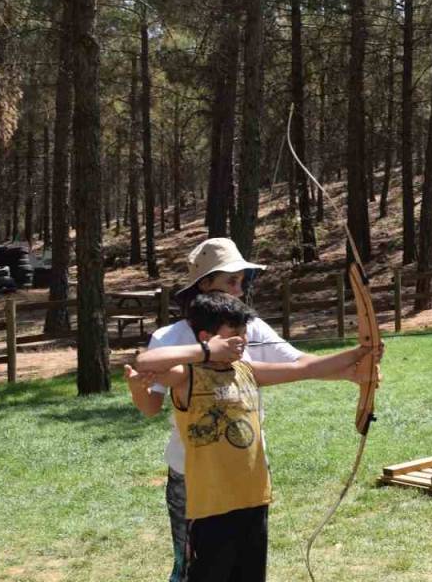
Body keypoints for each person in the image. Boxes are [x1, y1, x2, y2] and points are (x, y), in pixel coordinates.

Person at [124, 238, 378, 581]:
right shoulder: (171, 338)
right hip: (195, 479)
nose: (239, 290)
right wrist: (207, 352)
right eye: (231, 281)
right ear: (205, 284)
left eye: (242, 282)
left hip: (247, 477)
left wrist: (358, 361)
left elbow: (300, 365)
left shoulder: (248, 328)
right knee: (193, 569)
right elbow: (148, 388)